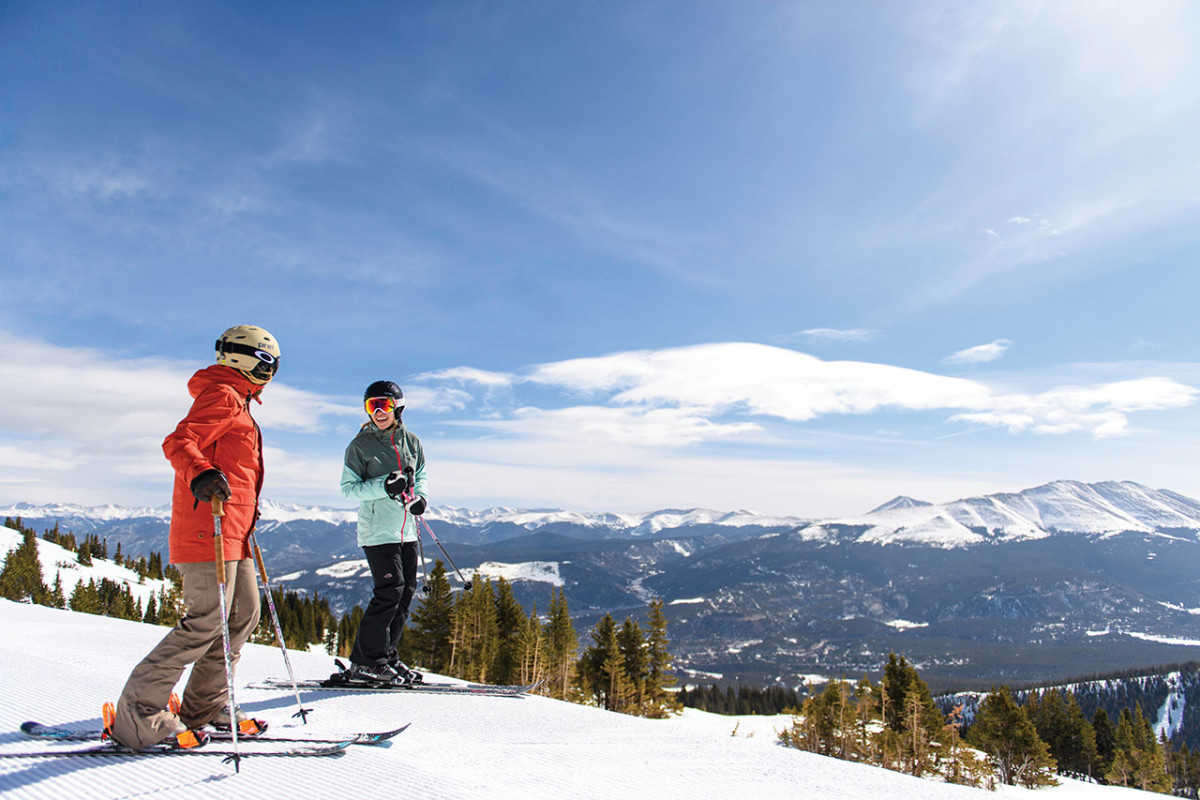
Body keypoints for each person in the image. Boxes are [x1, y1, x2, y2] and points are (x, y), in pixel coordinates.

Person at [108, 325, 280, 750]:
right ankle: (138, 718)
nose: (272, 372)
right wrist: (200, 472)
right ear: (248, 359)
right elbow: (179, 441)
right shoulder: (222, 395)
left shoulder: (238, 400)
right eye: (269, 362)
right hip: (208, 530)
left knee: (242, 616)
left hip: (235, 533)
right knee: (205, 621)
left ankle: (206, 708)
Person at [339, 379, 428, 684]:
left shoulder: (412, 442)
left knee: (405, 593)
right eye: (372, 405)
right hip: (378, 531)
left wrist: (421, 498)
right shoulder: (359, 446)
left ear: (397, 408)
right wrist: (383, 486)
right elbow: (348, 490)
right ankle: (366, 662)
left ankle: (387, 656)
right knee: (389, 591)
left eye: (384, 405)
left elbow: (422, 476)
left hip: (407, 530)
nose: (378, 411)